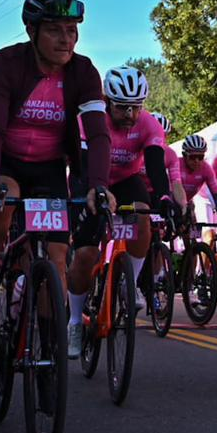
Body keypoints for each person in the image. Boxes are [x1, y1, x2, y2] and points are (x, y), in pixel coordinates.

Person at [0, 0, 111, 337]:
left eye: (71, 30)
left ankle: (48, 347)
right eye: (54, 30)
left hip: (49, 167)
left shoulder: (84, 72)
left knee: (57, 260)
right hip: (5, 160)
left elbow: (98, 135)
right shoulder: (7, 63)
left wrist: (98, 186)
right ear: (31, 31)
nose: (66, 39)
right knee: (2, 205)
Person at [67, 66, 176, 353]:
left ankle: (131, 283)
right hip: (90, 178)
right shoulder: (91, 120)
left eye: (136, 107)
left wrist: (165, 197)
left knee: (142, 215)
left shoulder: (149, 124)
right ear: (107, 101)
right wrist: (96, 192)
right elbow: (84, 163)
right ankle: (75, 320)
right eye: (122, 107)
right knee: (85, 254)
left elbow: (155, 165)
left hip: (126, 179)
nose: (130, 114)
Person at [179, 134, 217, 245]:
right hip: (173, 200)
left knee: (192, 239)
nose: (197, 161)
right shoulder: (177, 164)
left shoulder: (206, 168)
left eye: (200, 157)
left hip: (188, 203)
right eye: (193, 157)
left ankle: (191, 251)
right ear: (184, 155)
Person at [147, 112, 186, 209]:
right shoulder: (136, 148)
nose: (157, 139)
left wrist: (183, 206)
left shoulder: (170, 154)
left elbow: (176, 184)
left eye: (162, 135)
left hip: (157, 193)